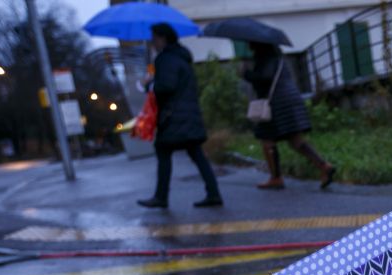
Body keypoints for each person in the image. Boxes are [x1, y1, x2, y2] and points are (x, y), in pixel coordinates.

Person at [138, 23, 223, 208]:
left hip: (173, 117)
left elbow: (166, 87)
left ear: (162, 38)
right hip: (187, 114)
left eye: (154, 38)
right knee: (197, 154)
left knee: (163, 151)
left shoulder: (165, 59)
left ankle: (161, 197)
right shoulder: (182, 57)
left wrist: (150, 84)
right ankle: (213, 193)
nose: (152, 42)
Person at [243, 42, 335, 190]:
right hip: (291, 98)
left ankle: (275, 178)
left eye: (251, 44)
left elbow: (265, 78)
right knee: (296, 140)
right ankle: (324, 166)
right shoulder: (278, 58)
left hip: (277, 103)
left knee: (267, 139)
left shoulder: (266, 59)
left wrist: (247, 74)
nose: (249, 46)